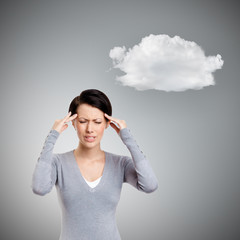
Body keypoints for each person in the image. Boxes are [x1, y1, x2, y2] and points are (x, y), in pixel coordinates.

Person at [31, 89, 158, 240]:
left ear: (107, 124)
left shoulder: (121, 164)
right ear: (73, 123)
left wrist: (127, 137)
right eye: (83, 122)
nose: (90, 129)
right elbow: (39, 188)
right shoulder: (58, 163)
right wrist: (53, 135)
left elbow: (149, 185)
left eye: (97, 122)